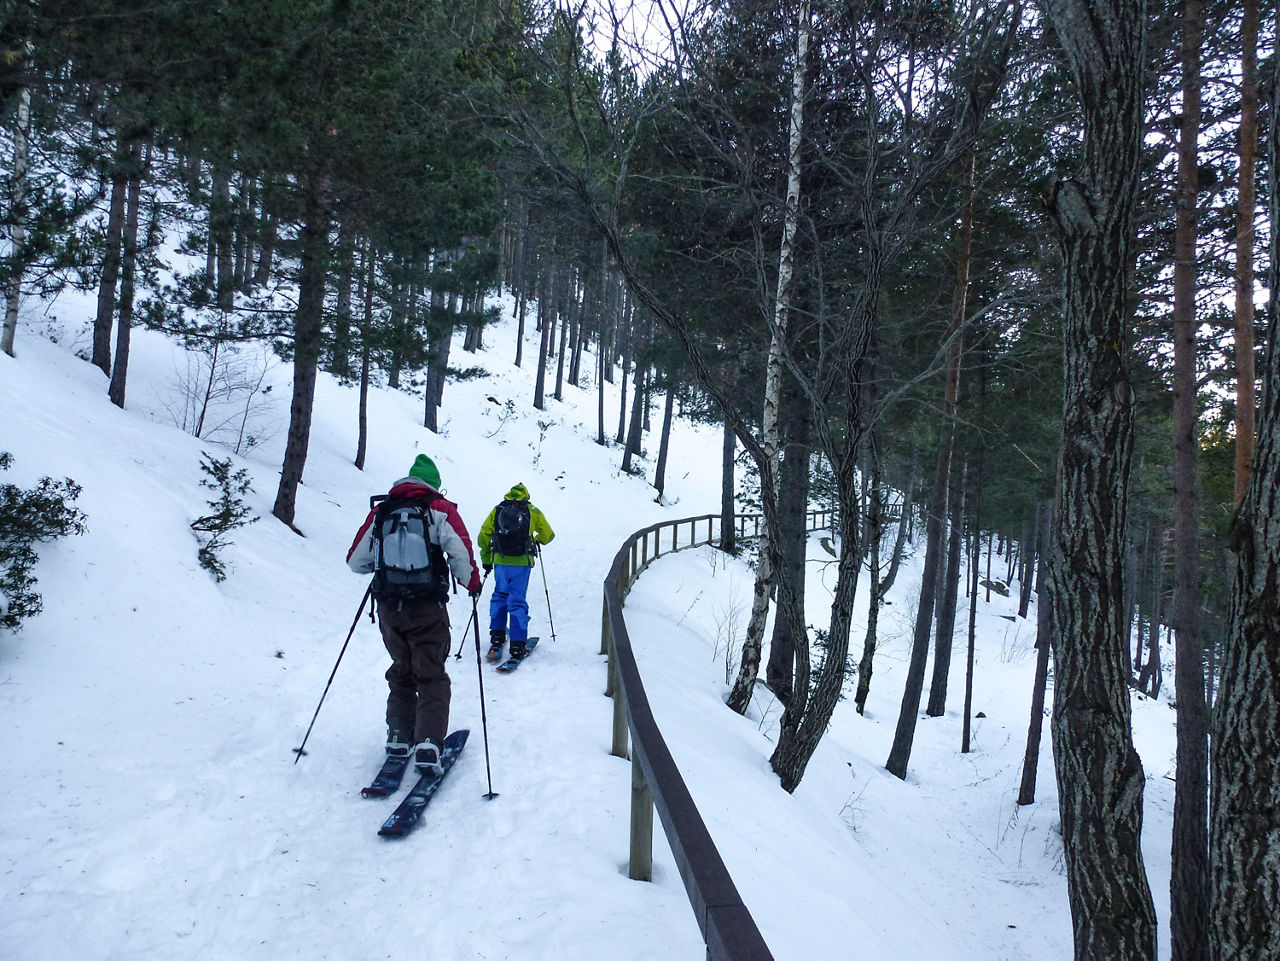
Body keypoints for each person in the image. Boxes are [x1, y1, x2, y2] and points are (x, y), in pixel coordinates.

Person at [346, 454, 480, 776]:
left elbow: (355, 561)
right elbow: (461, 553)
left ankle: (397, 736)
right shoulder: (440, 510)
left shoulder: (383, 510)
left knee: (402, 669)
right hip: (428, 609)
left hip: (390, 608)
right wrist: (471, 583)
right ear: (433, 485)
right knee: (431, 673)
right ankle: (429, 743)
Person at [477, 483, 555, 662]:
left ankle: (497, 635)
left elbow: (483, 535)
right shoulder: (532, 510)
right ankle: (518, 645)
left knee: (499, 595)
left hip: (500, 561)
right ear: (526, 495)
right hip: (521, 563)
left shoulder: (498, 509)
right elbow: (549, 535)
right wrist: (535, 540)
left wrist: (487, 558)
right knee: (517, 600)